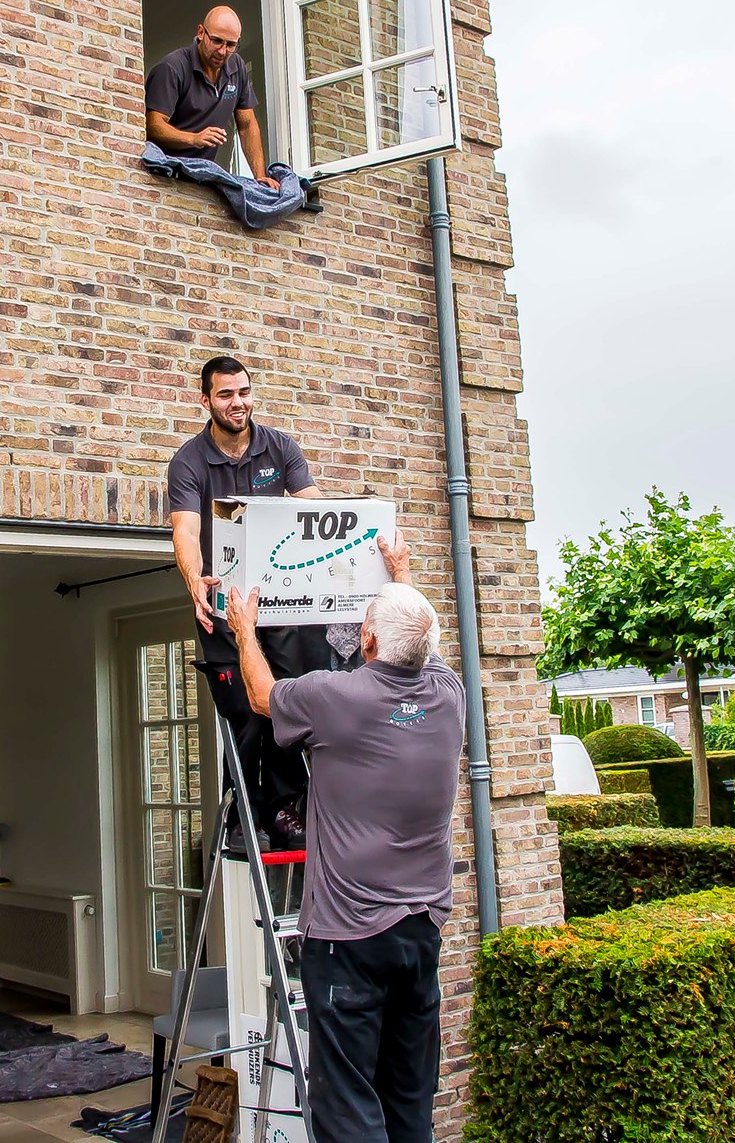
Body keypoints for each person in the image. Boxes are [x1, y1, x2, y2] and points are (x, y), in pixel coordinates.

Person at [226, 533, 463, 1143]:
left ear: (369, 641)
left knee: (349, 1107)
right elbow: (421, 640)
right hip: (419, 935)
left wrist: (245, 629)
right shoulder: (447, 697)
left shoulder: (339, 698)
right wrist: (401, 570)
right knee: (410, 1099)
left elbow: (259, 696)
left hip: (350, 940)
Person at [167, 354, 321, 852]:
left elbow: (313, 510)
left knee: (283, 703)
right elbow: (186, 531)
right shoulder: (189, 461)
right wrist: (194, 579)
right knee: (245, 717)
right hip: (223, 611)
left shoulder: (281, 448)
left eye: (244, 392)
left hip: (280, 608)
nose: (239, 403)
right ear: (206, 399)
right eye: (226, 394)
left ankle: (280, 809)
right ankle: (242, 816)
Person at [145, 6, 281, 191]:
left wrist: (260, 176)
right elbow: (152, 126)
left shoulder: (237, 67)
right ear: (201, 32)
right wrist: (194, 138)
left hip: (204, 178)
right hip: (165, 176)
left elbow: (247, 124)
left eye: (231, 45)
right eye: (217, 41)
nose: (223, 51)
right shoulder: (172, 68)